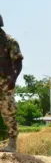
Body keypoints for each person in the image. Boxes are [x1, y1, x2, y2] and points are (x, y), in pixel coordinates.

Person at [0, 14, 23, 153]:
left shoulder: (10, 41)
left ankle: (12, 144)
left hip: (5, 81)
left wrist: (13, 79)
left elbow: (18, 61)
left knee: (8, 111)